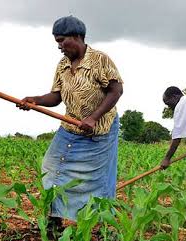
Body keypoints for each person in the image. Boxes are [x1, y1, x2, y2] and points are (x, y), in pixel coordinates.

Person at [18, 16, 123, 229]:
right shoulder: (63, 64)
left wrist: (93, 117)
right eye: (57, 42)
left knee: (99, 180)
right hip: (70, 128)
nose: (59, 46)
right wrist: (35, 101)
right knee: (51, 168)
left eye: (62, 40)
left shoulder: (100, 60)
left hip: (99, 132)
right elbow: (56, 97)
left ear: (77, 37)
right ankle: (54, 219)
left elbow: (116, 90)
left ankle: (104, 225)